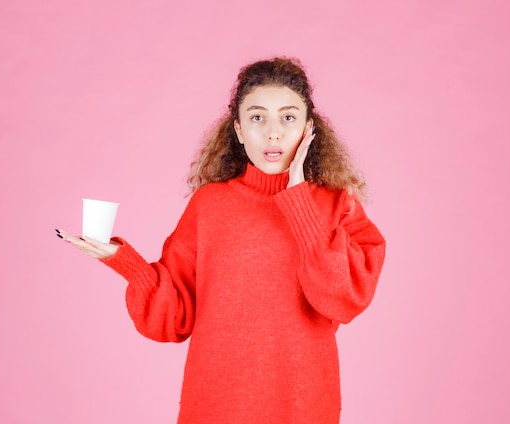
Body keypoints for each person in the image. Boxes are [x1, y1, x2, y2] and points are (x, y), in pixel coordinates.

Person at [56, 57, 386, 423]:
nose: (273, 133)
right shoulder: (210, 206)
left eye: (288, 117)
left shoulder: (337, 205)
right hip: (215, 406)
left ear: (309, 129)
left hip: (302, 408)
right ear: (239, 130)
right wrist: (123, 260)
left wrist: (297, 196)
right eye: (257, 118)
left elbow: (342, 299)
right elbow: (175, 315)